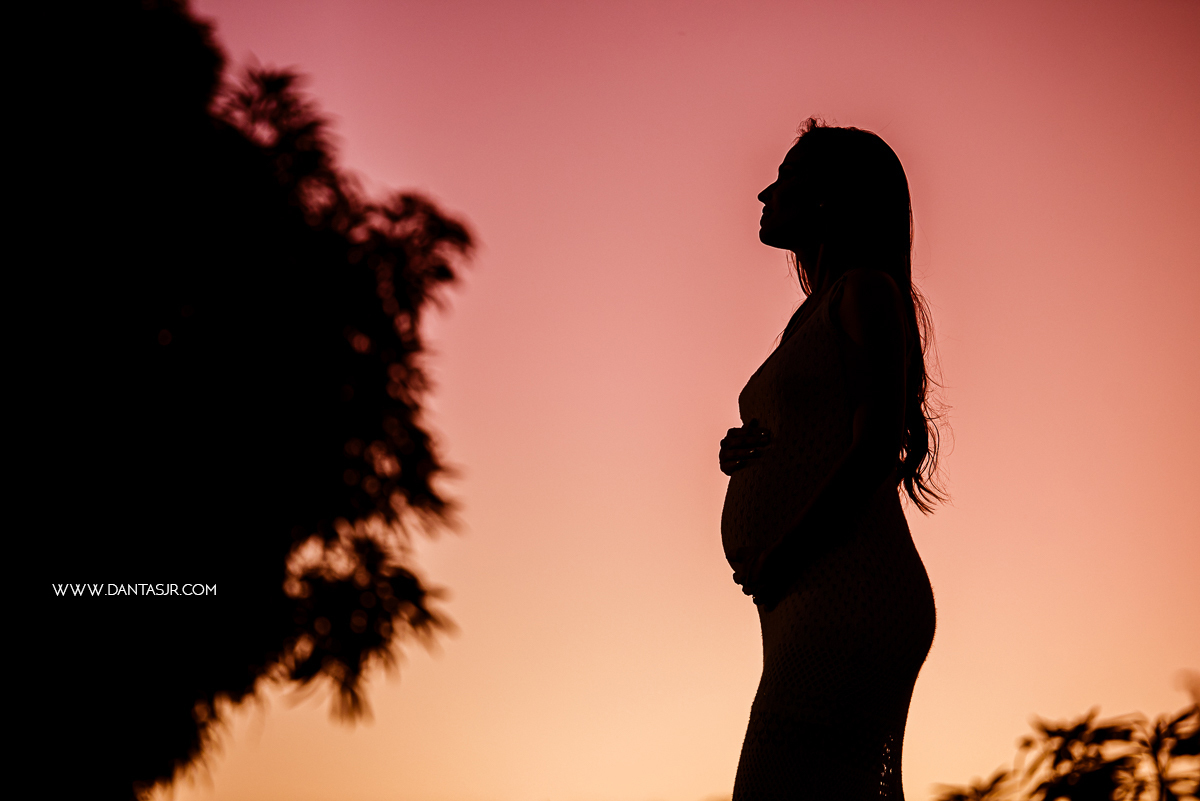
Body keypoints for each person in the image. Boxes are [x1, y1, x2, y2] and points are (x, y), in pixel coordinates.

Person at [719, 119, 942, 801]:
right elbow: (816, 423)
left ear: (826, 198)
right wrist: (750, 453)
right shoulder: (814, 313)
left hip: (845, 583)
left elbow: (876, 443)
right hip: (804, 594)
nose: (763, 192)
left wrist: (785, 548)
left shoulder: (866, 290)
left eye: (784, 179)